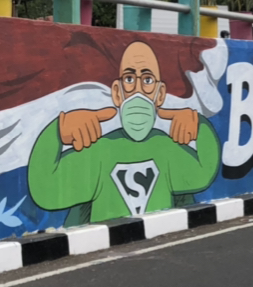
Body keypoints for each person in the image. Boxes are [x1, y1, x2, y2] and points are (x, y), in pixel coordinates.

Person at [27, 41, 221, 225]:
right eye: (129, 79)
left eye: (147, 80)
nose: (138, 91)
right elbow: (45, 189)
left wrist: (198, 126)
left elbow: (204, 171)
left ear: (160, 94)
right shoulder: (97, 152)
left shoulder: (169, 150)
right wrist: (58, 131)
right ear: (117, 93)